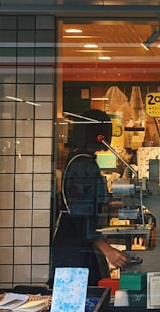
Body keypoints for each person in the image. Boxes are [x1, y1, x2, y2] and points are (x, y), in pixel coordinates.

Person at [50, 108, 131, 285]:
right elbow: (81, 214)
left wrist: (110, 205)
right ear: (96, 133)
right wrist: (107, 249)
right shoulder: (82, 164)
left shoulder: (80, 159)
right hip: (75, 248)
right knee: (81, 300)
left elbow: (85, 202)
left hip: (78, 245)